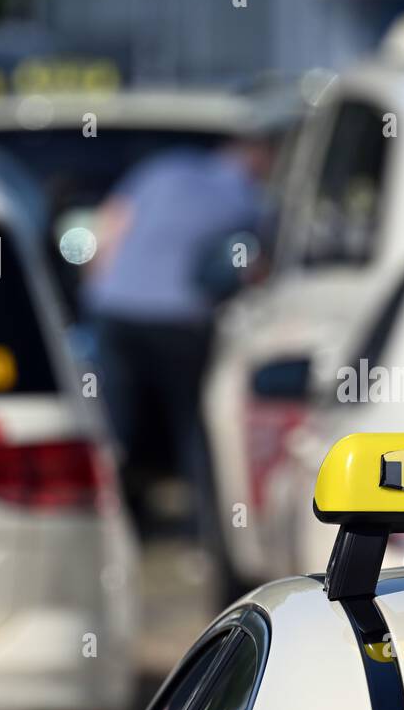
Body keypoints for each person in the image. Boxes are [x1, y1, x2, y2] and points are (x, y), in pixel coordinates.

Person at [84, 132, 276, 537]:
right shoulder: (246, 200)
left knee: (117, 421)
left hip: (115, 307)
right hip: (180, 318)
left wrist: (93, 291)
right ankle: (203, 527)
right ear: (257, 162)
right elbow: (254, 267)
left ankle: (113, 523)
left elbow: (110, 225)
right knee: (192, 424)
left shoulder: (162, 169)